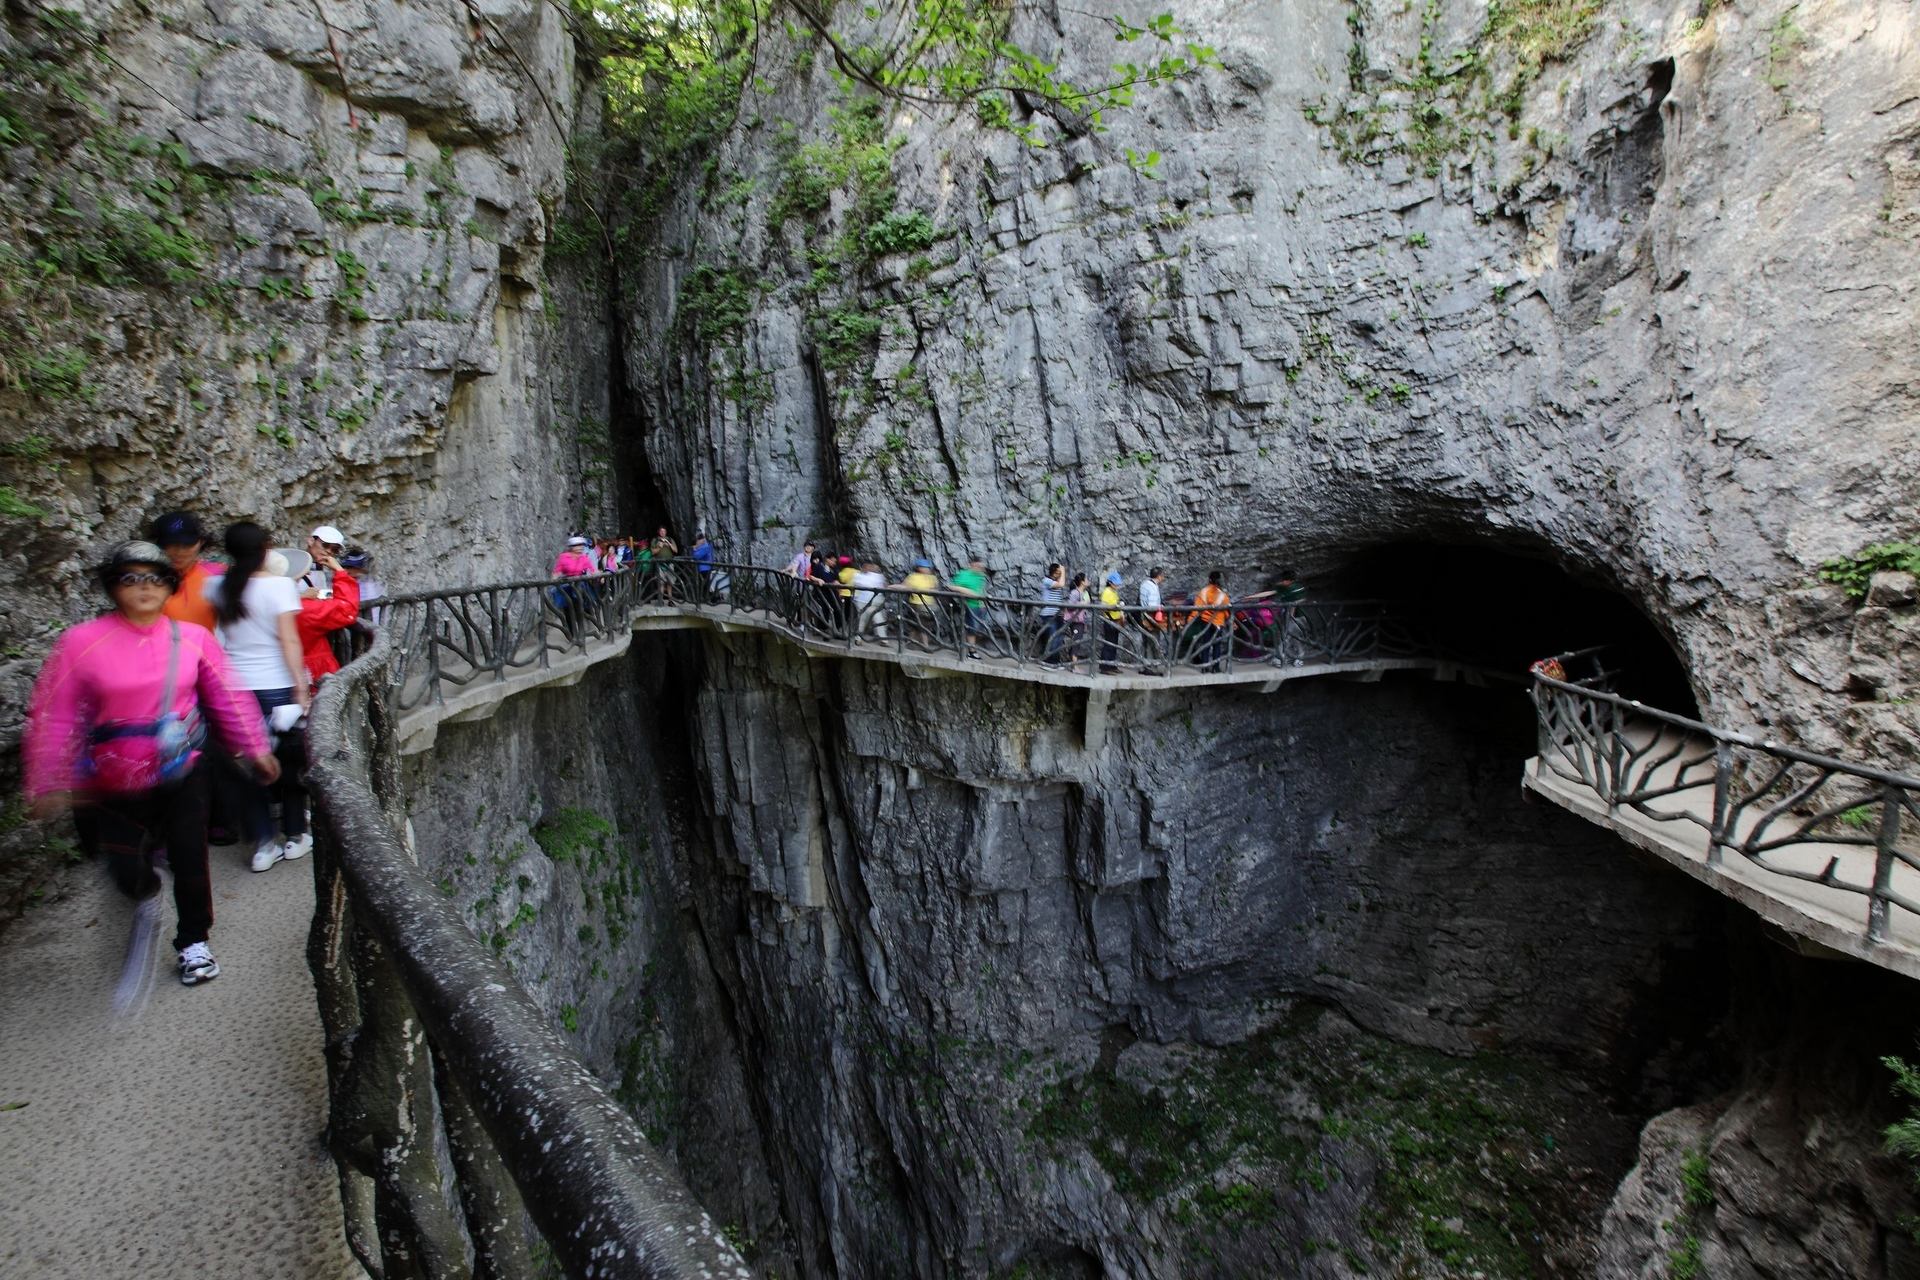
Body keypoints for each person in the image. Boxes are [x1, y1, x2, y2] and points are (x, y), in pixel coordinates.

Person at [25, 542, 279, 986]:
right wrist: (48, 779)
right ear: (112, 587)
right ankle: (145, 893)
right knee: (126, 869)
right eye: (130, 578)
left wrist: (255, 745)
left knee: (190, 858)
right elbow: (56, 712)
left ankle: (194, 943)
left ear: (169, 586)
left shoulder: (193, 639)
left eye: (154, 577)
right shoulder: (81, 642)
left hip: (183, 770)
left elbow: (227, 695)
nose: (144, 587)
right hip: (111, 777)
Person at [203, 523, 310, 872]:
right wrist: (301, 687)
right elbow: (289, 641)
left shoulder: (216, 586)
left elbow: (220, 635)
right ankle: (296, 835)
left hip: (235, 688)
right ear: (266, 548)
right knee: (290, 763)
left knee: (251, 767)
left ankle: (263, 845)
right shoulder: (279, 586)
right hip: (276, 684)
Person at [148, 511, 224, 631]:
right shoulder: (145, 580)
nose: (179, 551)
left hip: (207, 648)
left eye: (187, 545)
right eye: (171, 544)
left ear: (201, 542)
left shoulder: (217, 574)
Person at [949, 555, 989, 658]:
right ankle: (971, 652)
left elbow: (981, 589)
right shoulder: (963, 574)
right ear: (973, 564)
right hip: (969, 605)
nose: (981, 569)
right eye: (978, 566)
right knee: (972, 628)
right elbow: (952, 587)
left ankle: (971, 649)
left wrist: (983, 602)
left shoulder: (981, 576)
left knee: (978, 629)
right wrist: (969, 592)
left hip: (980, 606)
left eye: (982, 567)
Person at [1193, 570, 1232, 672]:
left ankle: (1205, 667)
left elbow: (1197, 607)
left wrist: (1190, 619)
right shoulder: (1223, 595)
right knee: (1217, 645)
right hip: (1218, 622)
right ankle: (1215, 667)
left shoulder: (1204, 592)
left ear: (1209, 579)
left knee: (1206, 644)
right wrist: (1229, 619)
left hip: (1206, 621)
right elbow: (1226, 610)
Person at [900, 557, 940, 646]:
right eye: (925, 567)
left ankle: (910, 641)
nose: (928, 569)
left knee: (919, 624)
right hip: (917, 604)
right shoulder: (913, 577)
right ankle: (925, 645)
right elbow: (905, 586)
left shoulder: (932, 578)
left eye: (928, 568)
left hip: (930, 605)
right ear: (919, 568)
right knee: (922, 624)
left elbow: (935, 589)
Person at [1138, 567, 1169, 673]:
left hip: (1143, 617)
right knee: (1154, 642)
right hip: (1150, 619)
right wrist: (1161, 607)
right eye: (1163, 575)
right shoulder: (1153, 588)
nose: (1163, 578)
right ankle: (1152, 668)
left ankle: (1145, 666)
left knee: (1146, 642)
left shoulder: (1144, 584)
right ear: (1159, 576)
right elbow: (1152, 607)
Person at [302, 524, 347, 597]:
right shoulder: (292, 564)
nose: (329, 551)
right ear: (311, 541)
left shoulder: (329, 572)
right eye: (325, 545)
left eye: (335, 549)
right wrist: (302, 597)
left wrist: (338, 570)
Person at [1035, 563, 1066, 665]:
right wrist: (1064, 570)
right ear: (1054, 572)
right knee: (1052, 637)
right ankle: (1049, 661)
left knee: (1059, 637)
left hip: (1057, 615)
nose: (1060, 575)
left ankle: (1055, 661)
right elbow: (1061, 584)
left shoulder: (1055, 581)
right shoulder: (1046, 581)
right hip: (1048, 614)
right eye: (1058, 573)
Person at [852, 560, 889, 639]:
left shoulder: (877, 576)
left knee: (875, 617)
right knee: (864, 618)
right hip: (862, 601)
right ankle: (859, 637)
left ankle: (882, 638)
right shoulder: (858, 575)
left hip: (873, 602)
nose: (867, 568)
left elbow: (884, 586)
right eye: (866, 566)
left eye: (869, 566)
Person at [1062, 572, 1091, 666]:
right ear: (1082, 582)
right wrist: (1082, 603)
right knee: (1076, 642)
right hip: (1075, 621)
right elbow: (1070, 606)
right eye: (1086, 579)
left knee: (1077, 641)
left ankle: (1071, 662)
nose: (1088, 581)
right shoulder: (1075, 592)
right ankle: (1074, 666)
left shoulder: (1085, 593)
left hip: (1081, 621)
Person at [1098, 571, 1125, 673]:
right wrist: (1115, 607)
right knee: (1109, 644)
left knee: (1114, 644)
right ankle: (1105, 667)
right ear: (1110, 583)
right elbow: (1104, 606)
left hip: (1116, 620)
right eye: (1116, 583)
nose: (1117, 585)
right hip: (1109, 620)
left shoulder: (1114, 592)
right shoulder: (1107, 592)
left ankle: (1112, 665)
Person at [649, 527, 679, 602]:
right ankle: (661, 600)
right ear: (658, 532)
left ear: (666, 532)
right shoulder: (655, 540)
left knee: (670, 582)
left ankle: (670, 600)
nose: (663, 532)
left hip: (669, 563)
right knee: (661, 582)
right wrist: (659, 547)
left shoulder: (670, 539)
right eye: (661, 531)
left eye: (664, 531)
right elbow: (653, 552)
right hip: (660, 564)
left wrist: (669, 544)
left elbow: (675, 550)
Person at [689, 531, 718, 602]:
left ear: (702, 540)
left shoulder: (706, 546)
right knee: (704, 584)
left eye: (698, 540)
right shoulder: (703, 547)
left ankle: (708, 599)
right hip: (701, 569)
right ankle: (704, 599)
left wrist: (694, 549)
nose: (697, 542)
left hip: (705, 568)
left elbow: (697, 556)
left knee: (705, 584)